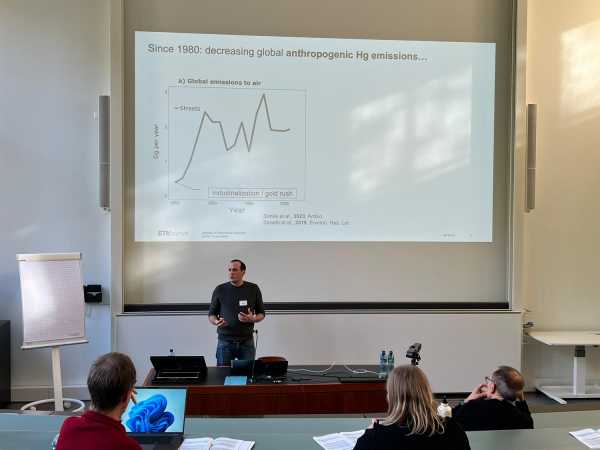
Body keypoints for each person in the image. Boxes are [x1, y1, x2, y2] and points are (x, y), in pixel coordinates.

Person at [354, 365, 470, 450]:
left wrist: (371, 431)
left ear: (392, 398)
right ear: (426, 393)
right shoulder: (453, 431)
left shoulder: (373, 439)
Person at [55, 352, 140, 450]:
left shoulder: (69, 427)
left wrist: (126, 392)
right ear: (125, 396)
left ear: (91, 388)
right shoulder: (127, 446)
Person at [208, 259, 265, 366]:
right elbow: (211, 315)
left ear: (243, 272)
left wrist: (253, 319)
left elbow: (261, 313)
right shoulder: (220, 289)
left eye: (234, 270)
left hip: (246, 341)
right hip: (225, 342)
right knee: (222, 376)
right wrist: (216, 321)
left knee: (247, 376)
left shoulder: (253, 289)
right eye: (229, 270)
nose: (231, 273)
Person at [453, 365, 534, 431]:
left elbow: (449, 418)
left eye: (489, 380)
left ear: (492, 386)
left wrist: (466, 400)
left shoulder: (470, 407)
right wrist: (522, 400)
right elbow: (529, 425)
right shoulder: (518, 416)